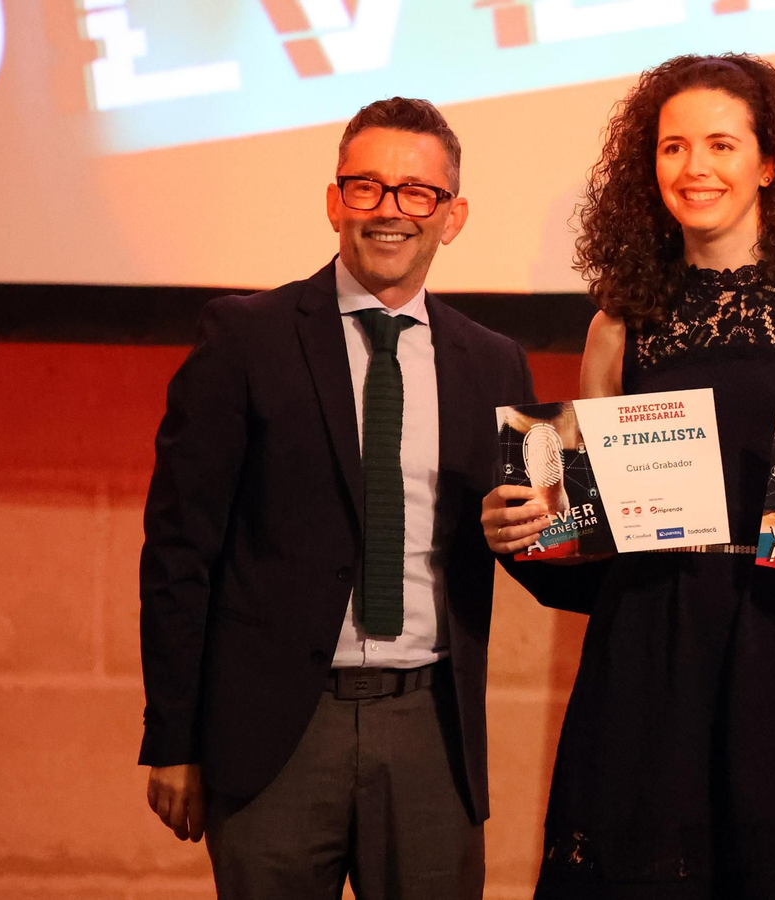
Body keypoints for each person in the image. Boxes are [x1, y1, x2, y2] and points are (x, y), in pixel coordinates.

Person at [481, 54, 775, 898]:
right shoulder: (620, 322)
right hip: (650, 659)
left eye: (721, 144)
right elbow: (587, 531)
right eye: (673, 148)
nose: (695, 168)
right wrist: (524, 533)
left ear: (770, 162)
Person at [137, 96, 589, 900]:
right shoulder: (246, 337)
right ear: (333, 202)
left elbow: (539, 557)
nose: (391, 211)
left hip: (430, 731)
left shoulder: (493, 363)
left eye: (418, 192)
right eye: (367, 187)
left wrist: (563, 536)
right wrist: (172, 737)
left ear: (452, 217)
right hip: (274, 736)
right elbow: (180, 548)